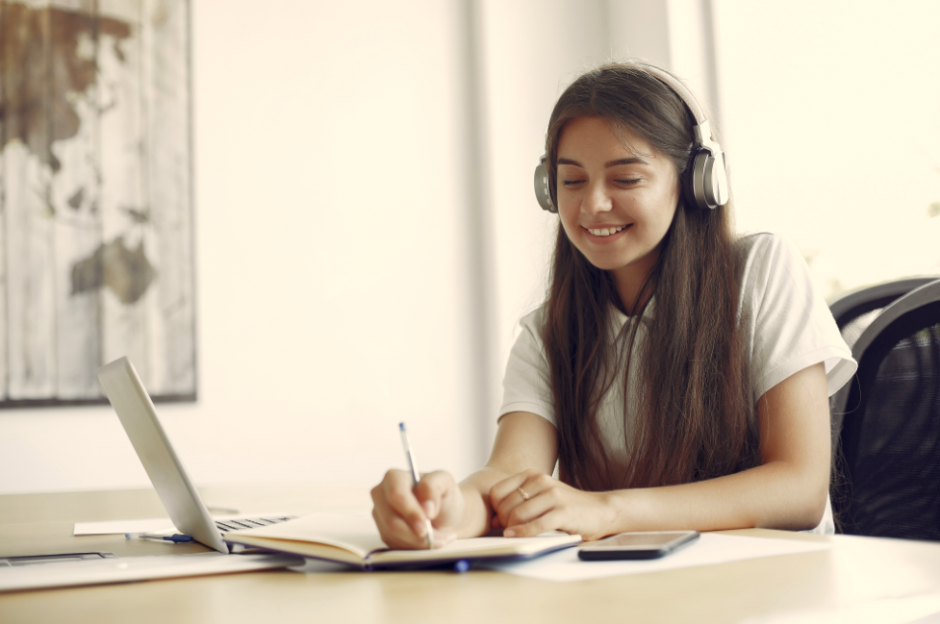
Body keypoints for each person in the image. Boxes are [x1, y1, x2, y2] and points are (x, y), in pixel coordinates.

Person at [371, 61, 857, 549]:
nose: (592, 205)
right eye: (572, 181)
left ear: (695, 183)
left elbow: (800, 488)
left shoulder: (761, 271)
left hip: (776, 589)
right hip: (637, 592)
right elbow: (509, 476)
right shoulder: (549, 332)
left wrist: (608, 510)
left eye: (625, 180)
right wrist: (447, 509)